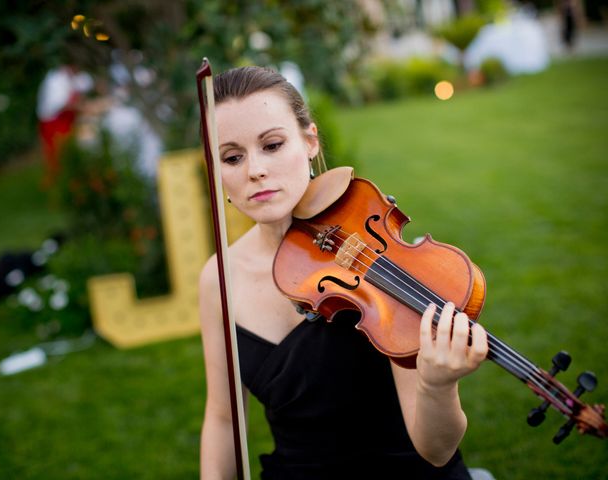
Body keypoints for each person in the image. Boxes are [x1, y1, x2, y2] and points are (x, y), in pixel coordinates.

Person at [198, 66, 489, 479]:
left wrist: (437, 386)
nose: (254, 170)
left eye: (273, 145)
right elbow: (223, 419)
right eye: (232, 157)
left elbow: (437, 452)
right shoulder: (219, 279)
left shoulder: (377, 256)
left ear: (310, 141)